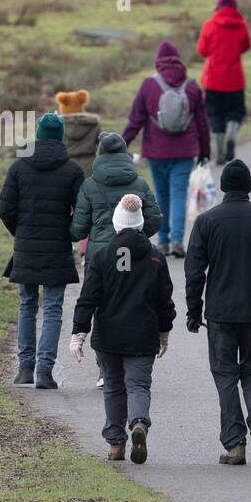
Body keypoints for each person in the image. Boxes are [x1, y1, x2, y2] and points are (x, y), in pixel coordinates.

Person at [184, 160, 251, 466]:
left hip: (220, 313)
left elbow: (194, 272)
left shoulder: (206, 222)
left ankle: (235, 444)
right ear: (249, 186)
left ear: (223, 187)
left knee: (225, 375)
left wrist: (194, 311)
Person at [69, 195, 175, 464]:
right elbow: (164, 300)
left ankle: (116, 444)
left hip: (108, 336)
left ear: (116, 224)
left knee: (114, 387)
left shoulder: (103, 255)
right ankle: (139, 422)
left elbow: (88, 297)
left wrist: (79, 333)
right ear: (140, 225)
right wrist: (164, 331)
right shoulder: (154, 258)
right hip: (143, 334)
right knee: (138, 385)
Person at [0, 113, 85, 390]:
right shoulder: (72, 170)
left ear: (37, 135)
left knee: (27, 305)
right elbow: (82, 211)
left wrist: (20, 232)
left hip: (25, 246)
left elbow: (5, 208)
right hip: (57, 246)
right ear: (60, 137)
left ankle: (25, 368)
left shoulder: (19, 167)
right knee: (53, 308)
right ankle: (45, 371)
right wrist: (69, 232)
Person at [121, 40, 212, 258]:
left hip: (156, 151)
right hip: (184, 152)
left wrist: (121, 144)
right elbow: (202, 122)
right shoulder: (192, 86)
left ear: (158, 62)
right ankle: (178, 241)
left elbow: (136, 119)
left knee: (161, 195)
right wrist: (205, 151)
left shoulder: (148, 85)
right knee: (179, 194)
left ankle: (162, 242)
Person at [196, 0, 251, 165]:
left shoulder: (209, 25)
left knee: (214, 113)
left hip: (213, 79)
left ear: (218, 6)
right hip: (235, 79)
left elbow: (202, 50)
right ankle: (232, 132)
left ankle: (219, 146)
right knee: (236, 112)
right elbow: (246, 46)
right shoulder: (242, 25)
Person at [55, 89, 101, 174]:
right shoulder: (93, 123)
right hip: (90, 166)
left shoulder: (58, 125)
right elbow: (102, 145)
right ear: (81, 105)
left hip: (65, 166)